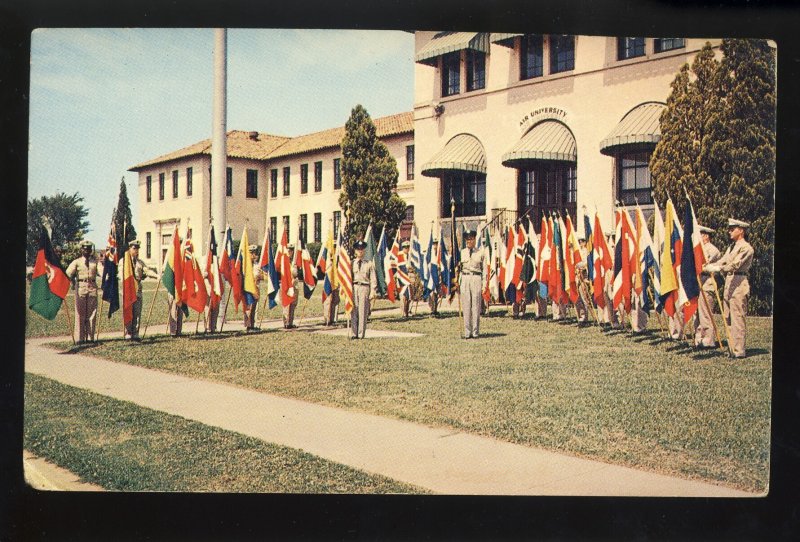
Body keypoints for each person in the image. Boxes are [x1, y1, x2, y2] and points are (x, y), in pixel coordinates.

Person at [702, 218, 754, 358]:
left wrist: (718, 268)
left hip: (739, 280)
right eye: (729, 229)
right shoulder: (732, 247)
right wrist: (709, 266)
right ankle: (732, 348)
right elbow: (724, 260)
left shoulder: (746, 248)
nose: (729, 231)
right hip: (730, 280)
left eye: (733, 229)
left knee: (737, 316)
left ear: (741, 230)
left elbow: (735, 265)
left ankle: (739, 351)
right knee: (728, 316)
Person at [66, 239, 100, 343]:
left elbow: (102, 271)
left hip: (92, 287)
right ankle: (79, 338)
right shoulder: (76, 262)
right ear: (81, 250)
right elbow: (68, 273)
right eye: (85, 249)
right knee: (80, 314)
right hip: (81, 287)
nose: (87, 251)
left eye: (89, 249)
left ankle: (90, 338)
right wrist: (71, 282)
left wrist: (108, 277)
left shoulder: (95, 262)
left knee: (92, 314)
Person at [694, 225, 722, 347]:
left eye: (700, 234)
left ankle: (708, 341)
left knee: (706, 313)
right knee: (698, 313)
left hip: (707, 283)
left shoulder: (712, 250)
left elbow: (703, 266)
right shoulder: (699, 248)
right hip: (699, 282)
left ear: (706, 236)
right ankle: (699, 338)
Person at [125, 239, 156, 340]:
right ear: (129, 249)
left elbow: (147, 271)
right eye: (134, 248)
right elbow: (121, 274)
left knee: (137, 312)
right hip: (128, 289)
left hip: (137, 288)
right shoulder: (124, 262)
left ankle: (135, 333)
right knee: (128, 311)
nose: (136, 251)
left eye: (137, 249)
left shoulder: (140, 262)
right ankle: (128, 332)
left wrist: (156, 276)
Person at [460, 229, 485, 339]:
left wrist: (484, 284)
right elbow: (457, 268)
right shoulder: (462, 252)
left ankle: (475, 331)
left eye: (471, 239)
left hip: (476, 278)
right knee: (466, 306)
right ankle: (467, 331)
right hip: (465, 278)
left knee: (475, 306)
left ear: (475, 239)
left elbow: (485, 270)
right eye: (468, 239)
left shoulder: (480, 252)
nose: (469, 241)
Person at [350, 239, 377, 339]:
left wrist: (373, 291)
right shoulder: (351, 263)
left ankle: (361, 334)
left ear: (364, 251)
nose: (360, 251)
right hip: (354, 287)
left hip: (364, 287)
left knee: (362, 311)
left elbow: (373, 279)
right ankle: (354, 333)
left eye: (362, 249)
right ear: (355, 251)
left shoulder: (369, 264)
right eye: (358, 249)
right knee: (354, 310)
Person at [321, 241, 340, 326]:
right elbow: (323, 264)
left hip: (336, 279)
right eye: (333, 246)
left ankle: (333, 319)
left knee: (335, 300)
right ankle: (327, 319)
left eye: (335, 246)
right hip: (329, 278)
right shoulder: (328, 255)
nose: (334, 248)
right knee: (328, 299)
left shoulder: (339, 256)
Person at [244, 244, 262, 330]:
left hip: (256, 289)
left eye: (255, 253)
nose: (254, 255)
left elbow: (263, 275)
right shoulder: (245, 265)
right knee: (248, 308)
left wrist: (260, 277)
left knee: (255, 308)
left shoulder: (257, 265)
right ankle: (248, 325)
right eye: (252, 253)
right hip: (248, 289)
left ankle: (253, 325)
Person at [282, 243, 300, 329]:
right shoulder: (284, 262)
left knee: (293, 304)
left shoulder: (294, 262)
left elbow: (296, 274)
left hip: (294, 286)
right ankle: (286, 322)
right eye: (288, 250)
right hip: (287, 286)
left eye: (291, 251)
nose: (290, 252)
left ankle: (290, 322)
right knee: (287, 304)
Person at [400, 240, 413, 318]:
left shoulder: (410, 256)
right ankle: (403, 313)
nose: (406, 249)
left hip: (409, 279)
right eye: (405, 247)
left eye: (408, 247)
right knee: (403, 296)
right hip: (402, 279)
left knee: (409, 296)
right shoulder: (400, 255)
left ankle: (407, 312)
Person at [428, 239, 440, 316]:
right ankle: (432, 309)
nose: (435, 246)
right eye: (434, 244)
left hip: (438, 276)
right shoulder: (430, 255)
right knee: (432, 294)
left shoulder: (439, 254)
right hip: (431, 276)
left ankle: (435, 309)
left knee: (437, 295)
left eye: (436, 244)